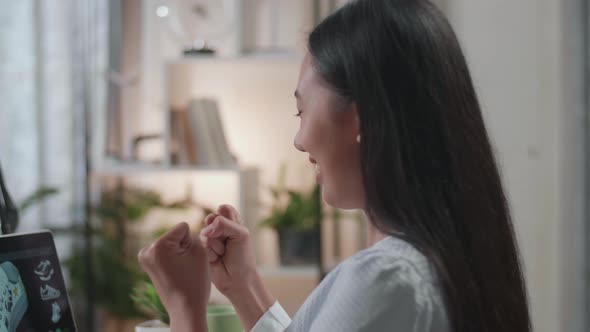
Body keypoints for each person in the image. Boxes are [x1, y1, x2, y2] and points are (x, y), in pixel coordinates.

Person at [137, 0, 532, 331]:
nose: (299, 140)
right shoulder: (423, 265)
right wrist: (244, 286)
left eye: (301, 110)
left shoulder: (388, 279)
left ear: (363, 117)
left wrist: (186, 307)